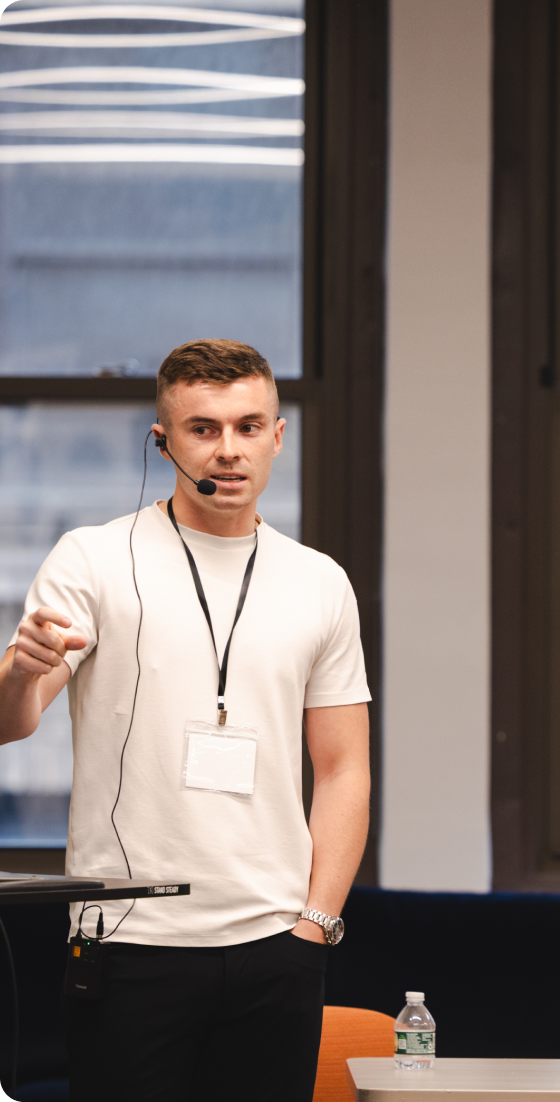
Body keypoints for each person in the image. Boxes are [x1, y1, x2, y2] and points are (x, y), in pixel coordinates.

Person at [0, 339, 371, 1101]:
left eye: (247, 426)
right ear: (163, 440)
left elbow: (343, 769)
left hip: (276, 946)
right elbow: (14, 722)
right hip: (129, 943)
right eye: (203, 429)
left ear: (278, 435)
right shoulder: (95, 559)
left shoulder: (319, 582)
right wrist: (19, 670)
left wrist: (316, 926)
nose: (228, 450)